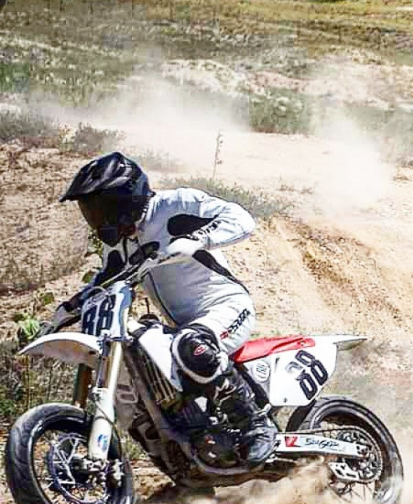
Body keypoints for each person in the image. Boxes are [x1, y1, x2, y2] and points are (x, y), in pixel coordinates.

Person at [52, 151, 276, 466]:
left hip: (225, 306)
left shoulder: (175, 206)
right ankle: (186, 465)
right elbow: (105, 280)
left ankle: (255, 424)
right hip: (182, 324)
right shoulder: (120, 244)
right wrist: (66, 309)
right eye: (90, 209)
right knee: (143, 367)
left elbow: (241, 218)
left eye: (101, 206)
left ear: (126, 196)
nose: (96, 216)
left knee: (191, 346)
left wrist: (199, 239)